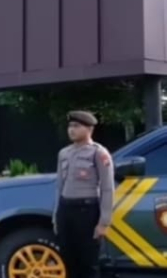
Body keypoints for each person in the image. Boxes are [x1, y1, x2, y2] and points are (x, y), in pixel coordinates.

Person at [54, 111, 113, 278]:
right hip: (66, 210)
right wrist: (56, 216)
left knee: (88, 263)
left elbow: (107, 188)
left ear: (89, 129)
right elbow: (59, 186)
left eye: (76, 126)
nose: (71, 130)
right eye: (70, 126)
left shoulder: (98, 153)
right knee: (68, 260)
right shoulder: (64, 153)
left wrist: (104, 222)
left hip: (87, 212)